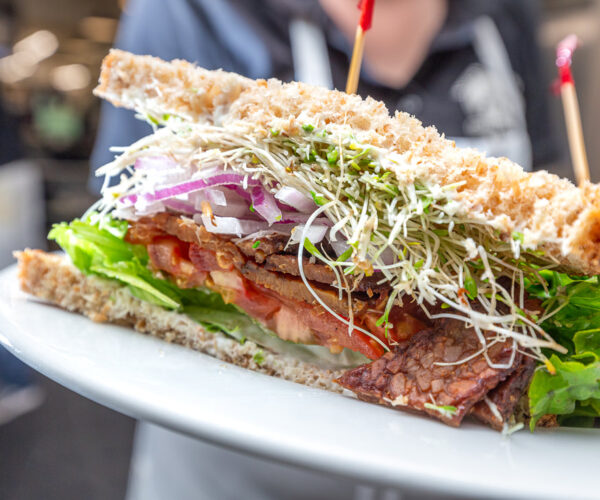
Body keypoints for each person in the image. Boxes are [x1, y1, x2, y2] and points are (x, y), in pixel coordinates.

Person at [90, 1, 558, 498]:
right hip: (231, 465)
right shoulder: (188, 10)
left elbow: (542, 214)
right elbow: (122, 211)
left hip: (464, 470)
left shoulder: (507, 14)